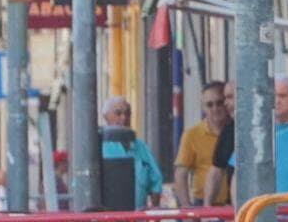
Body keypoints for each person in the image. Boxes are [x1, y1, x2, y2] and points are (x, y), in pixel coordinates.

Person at [93, 98, 164, 213]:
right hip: (109, 217)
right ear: (105, 117)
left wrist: (155, 207)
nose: (123, 118)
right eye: (118, 113)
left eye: (127, 114)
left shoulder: (140, 146)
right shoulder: (98, 146)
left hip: (138, 216)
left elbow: (155, 179)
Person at [173, 79, 234, 207]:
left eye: (219, 103)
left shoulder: (236, 131)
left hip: (234, 204)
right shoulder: (192, 135)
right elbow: (181, 174)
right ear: (203, 107)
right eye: (209, 105)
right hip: (203, 205)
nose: (215, 109)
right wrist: (186, 209)